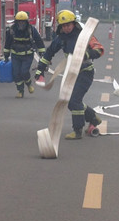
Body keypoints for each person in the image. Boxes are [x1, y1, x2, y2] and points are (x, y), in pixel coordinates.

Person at [34, 10, 104, 140]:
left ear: (74, 24)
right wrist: (40, 70)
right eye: (63, 26)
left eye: (69, 25)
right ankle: (93, 118)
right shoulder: (60, 39)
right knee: (70, 102)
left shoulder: (84, 36)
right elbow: (48, 54)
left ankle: (77, 130)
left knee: (74, 101)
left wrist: (86, 54)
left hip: (85, 72)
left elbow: (99, 49)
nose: (66, 28)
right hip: (72, 73)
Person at [3, 11, 45, 98]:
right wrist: (6, 56)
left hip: (27, 55)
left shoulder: (31, 30)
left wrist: (42, 53)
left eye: (23, 22)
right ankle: (20, 91)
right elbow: (7, 44)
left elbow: (39, 41)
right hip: (15, 55)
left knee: (24, 71)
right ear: (16, 22)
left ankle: (29, 85)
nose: (21, 24)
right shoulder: (11, 30)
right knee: (16, 73)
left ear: (26, 22)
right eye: (19, 21)